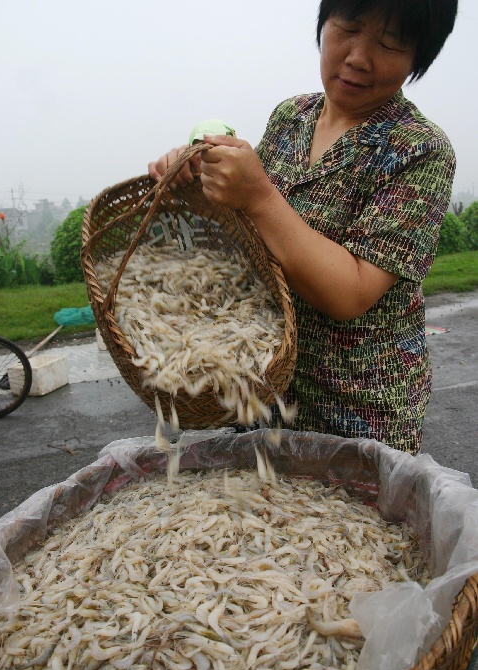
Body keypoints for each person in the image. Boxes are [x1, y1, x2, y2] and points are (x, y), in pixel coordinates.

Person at [148, 0, 458, 455]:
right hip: (263, 391)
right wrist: (198, 180)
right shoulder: (291, 118)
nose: (357, 57)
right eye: (347, 28)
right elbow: (254, 236)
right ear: (324, 24)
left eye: (388, 44)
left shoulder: (420, 151)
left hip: (357, 413)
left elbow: (350, 292)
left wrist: (258, 194)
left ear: (418, 59)